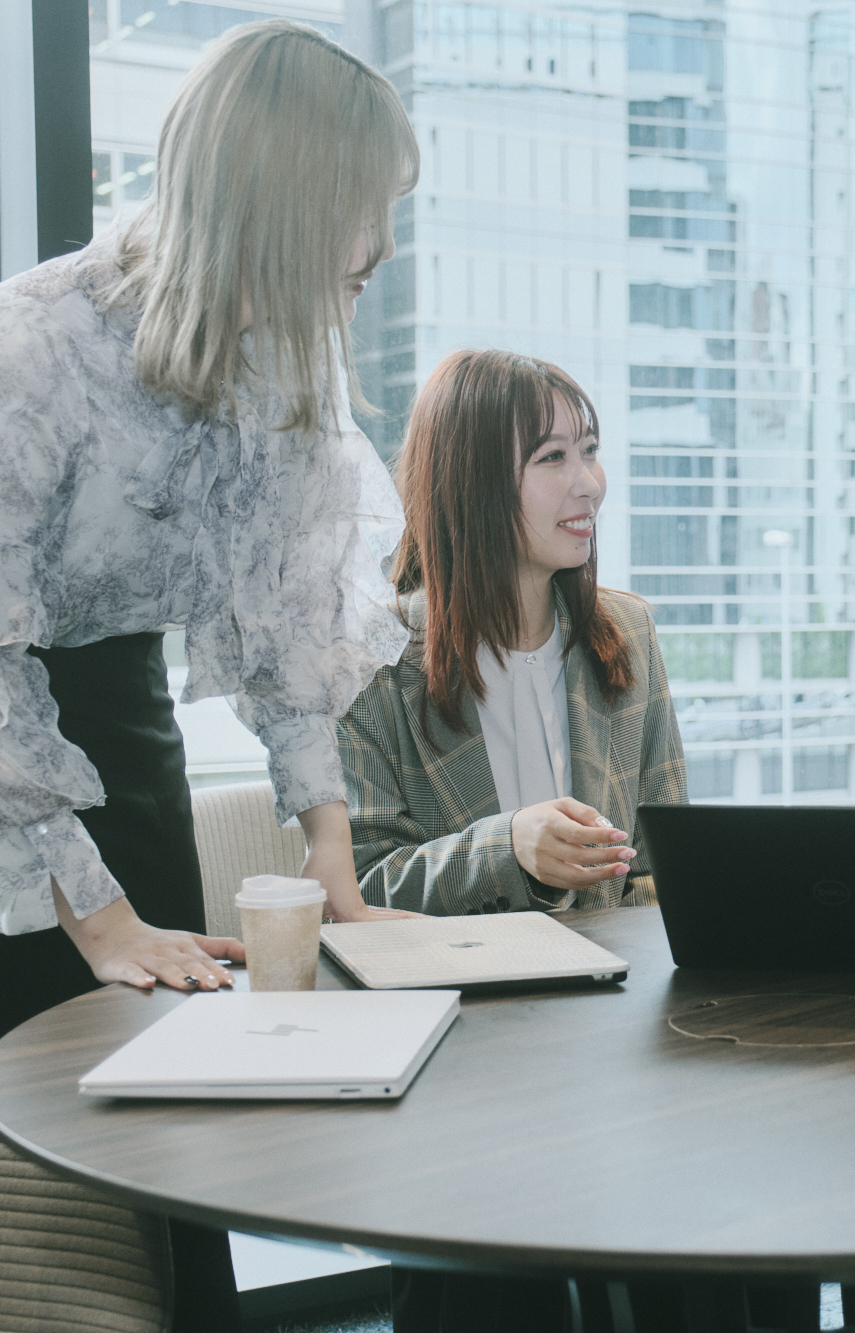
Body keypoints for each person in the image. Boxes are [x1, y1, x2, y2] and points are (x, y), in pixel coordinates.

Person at [0, 17, 420, 1328]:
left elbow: (289, 640)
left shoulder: (277, 376)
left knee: (166, 1114)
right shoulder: (19, 349)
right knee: (8, 1126)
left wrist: (335, 873)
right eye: (365, 211)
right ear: (280, 203)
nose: (382, 252)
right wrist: (98, 922)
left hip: (117, 713)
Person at [337, 348, 688, 1333]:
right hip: (464, 1056)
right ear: (473, 483)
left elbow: (671, 859)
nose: (590, 483)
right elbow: (354, 890)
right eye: (552, 457)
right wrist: (507, 848)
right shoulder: (369, 661)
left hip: (622, 1039)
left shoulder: (626, 633)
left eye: (592, 450)